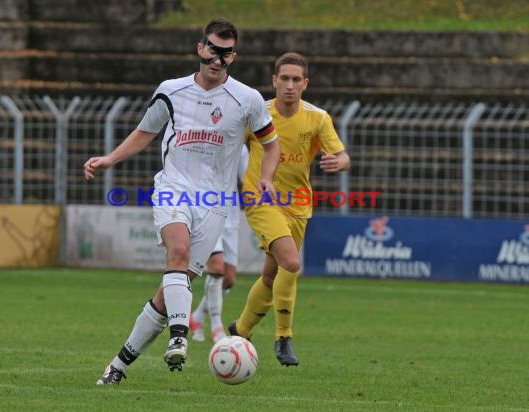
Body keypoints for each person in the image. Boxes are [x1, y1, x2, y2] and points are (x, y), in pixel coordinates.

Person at [84, 18, 280, 385]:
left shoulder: (247, 99)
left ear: (233, 56)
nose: (217, 59)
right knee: (176, 253)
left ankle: (119, 365)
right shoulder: (170, 91)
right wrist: (110, 158)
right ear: (199, 47)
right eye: (212, 49)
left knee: (168, 293)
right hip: (173, 187)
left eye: (225, 53)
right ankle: (180, 336)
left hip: (216, 202)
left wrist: (266, 176)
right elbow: (145, 131)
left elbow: (271, 144)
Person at [228, 52, 350, 366]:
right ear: (274, 81)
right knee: (291, 263)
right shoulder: (258, 114)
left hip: (297, 206)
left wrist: (339, 162)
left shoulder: (317, 118)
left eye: (297, 79)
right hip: (260, 198)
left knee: (272, 274)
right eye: (284, 78)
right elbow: (229, 145)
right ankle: (283, 337)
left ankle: (240, 329)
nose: (290, 85)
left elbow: (343, 155)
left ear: (305, 83)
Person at [189, 145, 249, 343]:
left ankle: (196, 318)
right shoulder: (200, 138)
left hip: (230, 214)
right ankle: (217, 327)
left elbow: (248, 178)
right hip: (204, 208)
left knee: (229, 279)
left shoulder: (239, 146)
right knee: (216, 268)